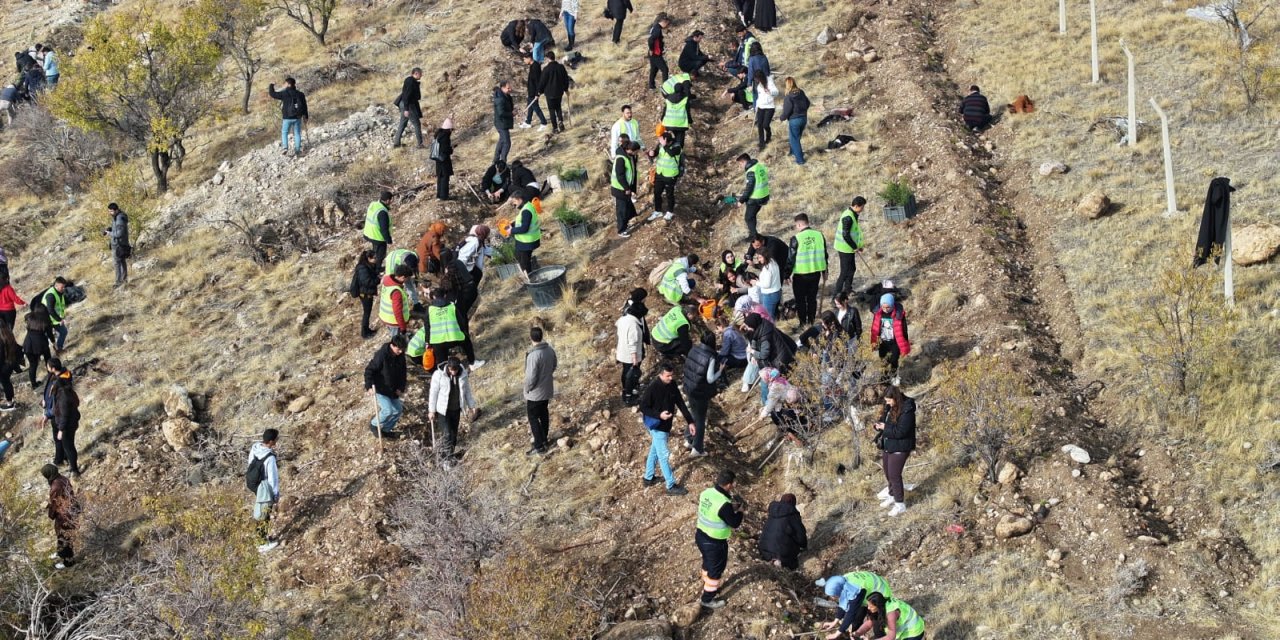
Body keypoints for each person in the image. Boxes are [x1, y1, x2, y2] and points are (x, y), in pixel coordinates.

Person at [638, 364, 693, 495]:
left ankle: (648, 477)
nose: (670, 378)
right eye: (668, 375)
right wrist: (659, 415)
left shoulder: (672, 384)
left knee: (655, 451)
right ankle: (670, 485)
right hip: (658, 427)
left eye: (671, 375)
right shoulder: (653, 388)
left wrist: (690, 421)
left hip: (666, 427)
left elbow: (680, 402)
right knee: (663, 455)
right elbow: (643, 407)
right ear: (660, 375)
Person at [695, 470, 744, 609]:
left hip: (700, 535)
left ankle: (707, 582)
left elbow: (714, 511)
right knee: (716, 569)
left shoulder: (707, 493)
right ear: (728, 485)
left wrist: (729, 508)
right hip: (715, 542)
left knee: (707, 562)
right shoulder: (723, 504)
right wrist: (740, 512)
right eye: (733, 483)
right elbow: (734, 523)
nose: (734, 485)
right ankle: (707, 598)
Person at [874, 387, 916, 516]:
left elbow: (901, 431)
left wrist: (885, 427)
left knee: (894, 475)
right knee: (888, 472)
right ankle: (892, 495)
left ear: (895, 398)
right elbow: (884, 420)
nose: (887, 403)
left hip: (901, 446)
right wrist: (878, 425)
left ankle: (900, 504)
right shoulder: (890, 407)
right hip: (889, 444)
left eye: (889, 400)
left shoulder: (907, 410)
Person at [428, 357, 477, 464]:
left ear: (459, 367)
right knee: (447, 434)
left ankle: (450, 455)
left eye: (455, 369)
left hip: (456, 409)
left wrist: (471, 405)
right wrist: (431, 410)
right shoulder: (439, 375)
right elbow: (433, 392)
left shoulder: (463, 374)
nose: (453, 372)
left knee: (453, 435)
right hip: (443, 410)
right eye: (451, 370)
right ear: (448, 367)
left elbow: (467, 391)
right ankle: (445, 460)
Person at [683, 333, 724, 457]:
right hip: (701, 393)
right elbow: (710, 379)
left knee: (693, 415)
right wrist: (720, 370)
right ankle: (697, 448)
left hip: (689, 388)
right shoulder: (710, 357)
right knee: (700, 420)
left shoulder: (693, 349)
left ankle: (689, 440)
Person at [820, 571, 894, 639]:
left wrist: (836, 634)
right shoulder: (842, 582)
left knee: (877, 626)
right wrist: (835, 621)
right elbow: (843, 602)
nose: (833, 598)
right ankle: (856, 636)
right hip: (867, 594)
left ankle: (880, 637)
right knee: (857, 619)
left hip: (880, 596)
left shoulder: (856, 590)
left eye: (833, 595)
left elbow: (851, 613)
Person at [788, 213, 828, 327]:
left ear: (799, 224)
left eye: (796, 226)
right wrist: (825, 271)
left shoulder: (796, 238)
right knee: (812, 299)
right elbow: (824, 255)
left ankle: (802, 323)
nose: (796, 228)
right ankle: (810, 321)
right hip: (815, 273)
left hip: (801, 275)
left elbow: (791, 258)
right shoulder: (819, 235)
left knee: (800, 301)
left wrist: (786, 275)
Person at [365, 335, 408, 437]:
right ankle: (374, 424)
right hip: (380, 388)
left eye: (402, 349)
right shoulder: (381, 355)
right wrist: (369, 386)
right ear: (392, 345)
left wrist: (401, 388)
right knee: (387, 410)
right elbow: (369, 370)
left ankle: (386, 430)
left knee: (398, 410)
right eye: (399, 349)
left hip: (392, 389)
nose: (401, 352)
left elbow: (403, 373)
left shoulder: (400, 356)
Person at [523, 327, 557, 455]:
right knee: (543, 415)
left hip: (535, 394)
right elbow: (554, 365)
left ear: (530, 337)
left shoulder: (533, 355)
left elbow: (531, 377)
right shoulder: (549, 350)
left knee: (533, 418)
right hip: (547, 389)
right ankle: (544, 440)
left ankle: (539, 446)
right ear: (541, 336)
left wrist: (527, 389)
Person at [247, 429, 281, 553]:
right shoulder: (269, 457)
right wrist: (276, 494)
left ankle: (261, 538)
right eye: (277, 439)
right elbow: (273, 478)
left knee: (261, 509)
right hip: (264, 487)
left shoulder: (255, 448)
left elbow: (250, 463)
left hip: (254, 484)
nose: (277, 440)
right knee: (265, 513)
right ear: (271, 441)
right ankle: (261, 543)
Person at [615, 289, 649, 406]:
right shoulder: (633, 324)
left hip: (622, 350)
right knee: (630, 373)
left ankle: (629, 389)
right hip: (630, 354)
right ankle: (628, 395)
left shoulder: (624, 319)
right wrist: (635, 359)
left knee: (627, 371)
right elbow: (632, 343)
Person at [42, 464, 78, 569]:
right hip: (70, 510)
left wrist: (50, 514)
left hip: (64, 515)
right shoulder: (62, 478)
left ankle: (68, 561)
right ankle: (60, 553)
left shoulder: (55, 486)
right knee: (62, 536)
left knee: (64, 536)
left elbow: (55, 504)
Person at [758, 493, 807, 569]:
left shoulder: (772, 512)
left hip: (764, 552)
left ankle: (772, 560)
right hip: (782, 556)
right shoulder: (792, 514)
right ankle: (781, 563)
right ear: (793, 503)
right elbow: (801, 539)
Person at [848, 593, 925, 640]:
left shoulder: (891, 614)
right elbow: (869, 622)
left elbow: (891, 636)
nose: (868, 608)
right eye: (868, 605)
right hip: (903, 631)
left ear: (878, 606)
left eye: (871, 606)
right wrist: (857, 633)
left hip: (914, 632)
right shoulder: (882, 603)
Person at [869, 294, 910, 379]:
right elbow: (874, 328)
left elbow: (904, 330)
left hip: (894, 342)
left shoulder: (899, 314)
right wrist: (874, 342)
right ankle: (884, 380)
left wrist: (904, 345)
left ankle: (894, 378)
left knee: (894, 360)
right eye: (883, 307)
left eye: (888, 307)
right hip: (883, 342)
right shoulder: (878, 314)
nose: (885, 309)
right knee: (883, 361)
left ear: (892, 305)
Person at [833, 197, 867, 296]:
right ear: (856, 206)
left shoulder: (853, 214)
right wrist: (854, 247)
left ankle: (848, 289)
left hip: (849, 248)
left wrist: (857, 246)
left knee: (852, 269)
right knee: (844, 272)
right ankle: (835, 296)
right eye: (862, 207)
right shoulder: (848, 217)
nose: (863, 209)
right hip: (844, 248)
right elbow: (845, 235)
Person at [647, 131, 683, 223]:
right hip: (660, 173)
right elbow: (656, 153)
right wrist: (652, 153)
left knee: (669, 194)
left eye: (663, 140)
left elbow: (671, 153)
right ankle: (657, 210)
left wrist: (664, 145)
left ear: (668, 141)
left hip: (670, 175)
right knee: (657, 192)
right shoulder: (661, 145)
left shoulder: (677, 147)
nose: (661, 142)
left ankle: (670, 211)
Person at [267, 77, 308, 157]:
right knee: (297, 133)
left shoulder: (284, 94)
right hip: (297, 117)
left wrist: (271, 85)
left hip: (287, 118)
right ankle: (297, 150)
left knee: (284, 132)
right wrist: (306, 116)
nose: (284, 85)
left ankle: (285, 148)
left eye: (285, 83)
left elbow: (272, 94)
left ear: (289, 84)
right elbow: (304, 106)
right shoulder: (300, 94)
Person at [425, 285, 466, 363]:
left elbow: (427, 327)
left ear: (433, 297)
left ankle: (444, 369)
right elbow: (461, 322)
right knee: (467, 342)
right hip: (454, 338)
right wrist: (463, 332)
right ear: (444, 295)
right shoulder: (452, 306)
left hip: (437, 342)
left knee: (441, 362)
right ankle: (471, 361)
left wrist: (427, 342)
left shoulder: (429, 309)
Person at [736, 154, 770, 241]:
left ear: (744, 161)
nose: (740, 166)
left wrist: (741, 200)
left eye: (740, 164)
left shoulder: (751, 171)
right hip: (765, 195)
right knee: (752, 215)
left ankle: (754, 237)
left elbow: (749, 188)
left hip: (756, 197)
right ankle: (753, 233)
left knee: (748, 217)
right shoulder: (759, 166)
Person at [349, 250, 381, 339]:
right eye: (374, 258)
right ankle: (364, 333)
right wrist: (378, 280)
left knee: (368, 312)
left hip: (366, 293)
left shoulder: (367, 265)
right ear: (369, 258)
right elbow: (367, 282)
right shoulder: (363, 268)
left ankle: (367, 330)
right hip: (365, 294)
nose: (376, 259)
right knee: (366, 313)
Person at [51, 376, 80, 476]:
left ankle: (74, 470)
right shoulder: (69, 391)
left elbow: (64, 415)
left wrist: (61, 429)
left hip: (67, 426)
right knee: (69, 446)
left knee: (69, 447)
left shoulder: (62, 395)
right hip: (72, 423)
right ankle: (72, 467)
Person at [509, 189, 542, 274]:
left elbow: (524, 228)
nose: (514, 204)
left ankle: (530, 279)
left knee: (524, 264)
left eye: (514, 201)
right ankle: (531, 273)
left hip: (526, 242)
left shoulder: (526, 211)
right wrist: (512, 224)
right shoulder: (528, 206)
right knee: (523, 259)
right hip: (530, 240)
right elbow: (523, 221)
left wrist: (511, 230)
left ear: (520, 199)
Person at [538, 51, 571, 134]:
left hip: (549, 93)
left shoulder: (546, 69)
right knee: (558, 107)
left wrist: (539, 91)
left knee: (552, 110)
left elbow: (542, 82)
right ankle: (560, 121)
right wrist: (566, 89)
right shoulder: (561, 67)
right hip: (559, 92)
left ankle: (555, 128)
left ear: (548, 59)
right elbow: (565, 79)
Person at [611, 140, 639, 237]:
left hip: (625, 188)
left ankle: (625, 225)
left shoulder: (629, 156)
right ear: (630, 150)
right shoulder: (621, 159)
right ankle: (621, 230)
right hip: (620, 189)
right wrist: (627, 188)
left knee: (627, 206)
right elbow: (620, 176)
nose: (637, 153)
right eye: (636, 151)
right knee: (621, 209)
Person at [780, 77, 810, 165]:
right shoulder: (801, 92)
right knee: (795, 137)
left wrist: (782, 118)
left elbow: (787, 111)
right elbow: (808, 103)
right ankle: (792, 152)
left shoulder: (788, 97)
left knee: (794, 139)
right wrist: (803, 111)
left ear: (787, 85)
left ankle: (800, 160)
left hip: (794, 120)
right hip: (803, 118)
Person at [377, 265, 413, 337]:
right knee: (396, 339)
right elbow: (398, 312)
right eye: (408, 278)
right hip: (393, 321)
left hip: (386, 316)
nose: (408, 280)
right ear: (402, 277)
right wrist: (403, 327)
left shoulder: (387, 280)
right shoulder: (396, 292)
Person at [22, 306, 53, 389]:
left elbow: (25, 318)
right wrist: (54, 344)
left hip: (28, 344)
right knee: (48, 360)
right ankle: (51, 377)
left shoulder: (30, 317)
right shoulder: (45, 321)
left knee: (33, 365)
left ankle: (34, 384)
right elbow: (50, 334)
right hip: (41, 344)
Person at [393, 68, 424, 149]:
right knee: (417, 124)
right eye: (421, 74)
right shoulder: (411, 82)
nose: (422, 75)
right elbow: (407, 96)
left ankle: (396, 143)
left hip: (404, 104)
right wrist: (406, 109)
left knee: (402, 123)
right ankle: (420, 144)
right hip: (408, 105)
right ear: (416, 73)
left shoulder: (409, 80)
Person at [660, 71, 692, 147]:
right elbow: (687, 111)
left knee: (669, 141)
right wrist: (690, 121)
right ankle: (678, 155)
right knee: (679, 143)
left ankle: (669, 153)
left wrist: (662, 119)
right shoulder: (685, 99)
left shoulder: (668, 99)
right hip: (680, 125)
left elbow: (665, 110)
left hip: (668, 124)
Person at [102, 203, 131, 287]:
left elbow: (119, 234)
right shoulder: (118, 217)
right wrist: (111, 229)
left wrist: (109, 233)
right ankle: (124, 280)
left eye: (111, 211)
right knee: (122, 262)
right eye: (109, 211)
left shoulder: (119, 219)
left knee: (117, 263)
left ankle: (118, 282)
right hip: (120, 244)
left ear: (116, 210)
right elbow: (118, 229)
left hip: (118, 245)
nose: (110, 213)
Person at [363, 191, 393, 268]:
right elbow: (384, 229)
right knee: (380, 255)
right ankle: (376, 269)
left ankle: (373, 266)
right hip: (377, 236)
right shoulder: (382, 212)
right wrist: (388, 239)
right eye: (391, 200)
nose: (391, 202)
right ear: (387, 200)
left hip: (369, 233)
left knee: (375, 252)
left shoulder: (374, 204)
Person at [520, 52, 548, 131]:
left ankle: (544, 122)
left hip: (534, 92)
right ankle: (528, 122)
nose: (524, 61)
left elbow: (538, 81)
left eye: (525, 59)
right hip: (531, 91)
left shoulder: (535, 66)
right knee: (530, 106)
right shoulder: (532, 66)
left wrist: (537, 93)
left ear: (529, 58)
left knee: (536, 107)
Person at [40, 278, 69, 353]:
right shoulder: (51, 295)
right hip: (47, 320)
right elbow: (50, 310)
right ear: (56, 285)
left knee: (63, 331)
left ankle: (59, 348)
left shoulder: (59, 292)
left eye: (64, 286)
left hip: (54, 319)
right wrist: (59, 319)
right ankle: (41, 353)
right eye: (62, 287)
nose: (64, 288)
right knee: (44, 338)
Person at [752, 71, 779, 150]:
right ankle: (761, 143)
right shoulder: (759, 85)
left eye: (757, 79)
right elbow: (759, 97)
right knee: (759, 125)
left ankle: (769, 135)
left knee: (765, 125)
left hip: (769, 107)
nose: (757, 80)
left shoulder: (769, 82)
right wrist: (756, 106)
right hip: (760, 107)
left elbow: (776, 92)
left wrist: (770, 92)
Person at [753, 249, 782, 319]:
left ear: (765, 256)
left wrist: (756, 283)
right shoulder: (773, 261)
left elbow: (767, 285)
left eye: (760, 257)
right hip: (777, 292)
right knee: (773, 315)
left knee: (768, 318)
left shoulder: (767, 269)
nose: (759, 260)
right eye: (757, 258)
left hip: (769, 295)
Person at [647, 14, 671, 90]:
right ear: (664, 22)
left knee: (654, 69)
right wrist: (651, 49)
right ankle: (665, 88)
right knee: (665, 69)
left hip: (653, 53)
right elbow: (650, 40)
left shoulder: (655, 27)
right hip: (655, 54)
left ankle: (651, 86)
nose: (667, 25)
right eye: (667, 23)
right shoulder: (657, 30)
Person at [492, 81, 514, 163]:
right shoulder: (500, 99)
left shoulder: (506, 96)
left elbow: (509, 108)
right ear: (502, 88)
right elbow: (501, 113)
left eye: (510, 87)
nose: (510, 89)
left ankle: (495, 161)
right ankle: (503, 162)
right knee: (507, 143)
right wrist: (511, 114)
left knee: (502, 141)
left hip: (504, 122)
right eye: (508, 88)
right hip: (501, 123)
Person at [0, 322, 20, 411]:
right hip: (11, 363)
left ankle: (9, 404)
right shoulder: (9, 334)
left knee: (5, 383)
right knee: (7, 382)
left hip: (3, 365)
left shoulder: (1, 339)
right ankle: (11, 400)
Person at [433, 117, 454, 200]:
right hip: (444, 160)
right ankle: (444, 196)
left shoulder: (439, 135)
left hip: (438, 160)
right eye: (451, 129)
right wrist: (451, 149)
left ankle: (439, 195)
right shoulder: (445, 137)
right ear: (449, 129)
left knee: (440, 177)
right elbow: (445, 149)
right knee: (445, 178)